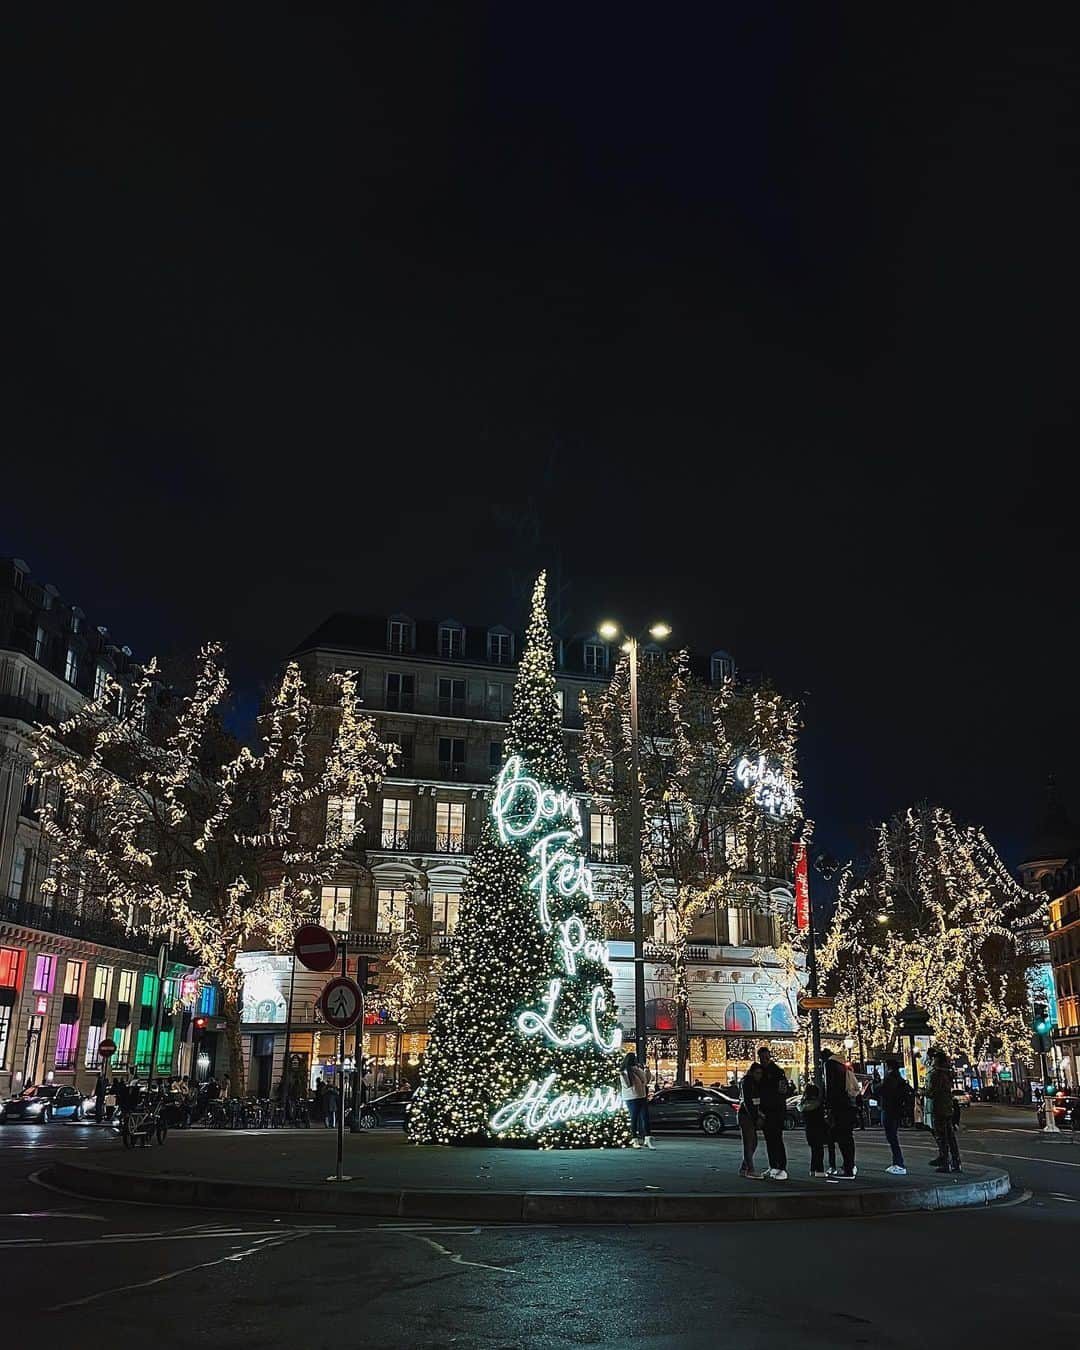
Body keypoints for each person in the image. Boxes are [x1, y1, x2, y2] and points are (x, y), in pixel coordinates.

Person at [822, 1048, 858, 1178]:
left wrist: (828, 1106)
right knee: (847, 1137)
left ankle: (846, 1168)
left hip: (839, 1106)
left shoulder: (830, 1065)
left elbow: (831, 1087)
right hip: (848, 1104)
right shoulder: (842, 1063)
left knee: (841, 1137)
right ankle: (850, 1165)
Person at [756, 1047, 790, 1181]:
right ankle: (773, 1165)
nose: (764, 1060)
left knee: (776, 1139)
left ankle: (781, 1166)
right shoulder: (763, 1071)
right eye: (762, 1057)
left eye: (765, 1057)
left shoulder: (776, 1072)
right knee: (770, 1139)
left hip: (775, 1110)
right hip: (767, 1110)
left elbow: (782, 1091)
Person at [928, 1049, 961, 1173]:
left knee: (942, 1136)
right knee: (950, 1136)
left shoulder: (936, 1074)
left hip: (939, 1107)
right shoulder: (947, 1073)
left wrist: (922, 1092)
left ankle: (945, 1161)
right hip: (947, 1107)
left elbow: (933, 1092)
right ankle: (955, 1162)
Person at [878, 1057, 913, 1175]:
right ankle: (897, 1162)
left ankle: (899, 1163)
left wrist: (875, 1083)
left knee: (892, 1138)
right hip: (896, 1110)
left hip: (889, 1109)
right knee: (893, 1137)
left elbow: (880, 1090)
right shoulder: (899, 1079)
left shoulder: (889, 1079)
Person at [619, 1051, 654, 1149]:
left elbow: (646, 1081)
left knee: (645, 1118)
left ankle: (647, 1140)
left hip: (641, 1096)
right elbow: (627, 1085)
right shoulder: (625, 1072)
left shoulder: (638, 1069)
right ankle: (635, 1140)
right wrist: (624, 1076)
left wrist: (647, 1071)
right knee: (634, 1119)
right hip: (631, 1097)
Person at [738, 1061, 764, 1177]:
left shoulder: (752, 1082)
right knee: (749, 1143)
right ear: (752, 1072)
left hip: (749, 1114)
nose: (759, 1076)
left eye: (760, 1073)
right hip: (746, 1115)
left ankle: (745, 1167)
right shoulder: (748, 1082)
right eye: (757, 1073)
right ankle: (750, 1169)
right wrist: (755, 1117)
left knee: (752, 1143)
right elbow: (748, 1101)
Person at [800, 1083, 832, 1177]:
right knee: (819, 1150)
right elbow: (822, 1118)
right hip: (818, 1129)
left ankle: (813, 1169)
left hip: (809, 1129)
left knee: (814, 1150)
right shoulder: (818, 1104)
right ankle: (819, 1170)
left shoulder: (804, 1103)